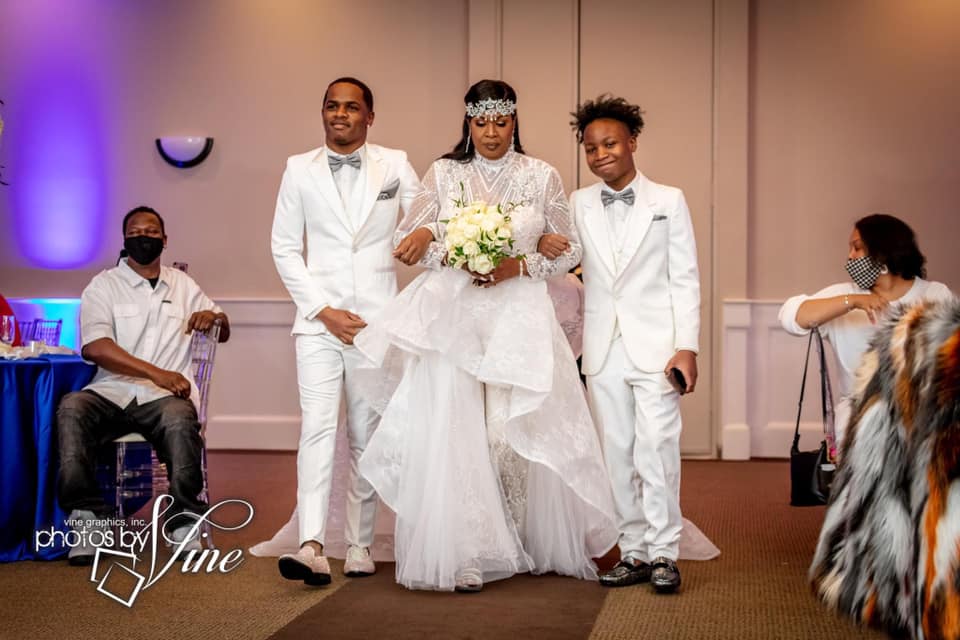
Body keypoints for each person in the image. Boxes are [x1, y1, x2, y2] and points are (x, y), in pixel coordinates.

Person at [354, 79, 618, 592]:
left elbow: (568, 252)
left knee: (506, 433)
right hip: (453, 317)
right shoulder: (445, 173)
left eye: (501, 122)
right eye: (481, 122)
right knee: (457, 432)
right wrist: (454, 252)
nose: (491, 132)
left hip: (517, 315)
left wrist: (516, 263)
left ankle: (515, 537)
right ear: (468, 122)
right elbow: (413, 239)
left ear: (514, 122)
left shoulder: (541, 175)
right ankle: (468, 549)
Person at [270, 77, 422, 586]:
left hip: (376, 324)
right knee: (316, 429)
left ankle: (359, 542)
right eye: (332, 106)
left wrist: (421, 232)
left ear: (369, 117)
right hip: (317, 324)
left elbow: (428, 219)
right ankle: (312, 543)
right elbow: (285, 248)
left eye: (351, 107)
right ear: (323, 112)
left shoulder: (395, 164)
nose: (340, 114)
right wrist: (321, 310)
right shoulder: (297, 169)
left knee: (365, 435)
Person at [564, 95, 702, 593]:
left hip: (658, 346)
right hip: (602, 347)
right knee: (616, 451)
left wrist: (687, 346)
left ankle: (665, 550)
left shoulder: (669, 200)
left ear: (632, 143)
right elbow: (564, 259)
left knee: (657, 447)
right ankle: (635, 549)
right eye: (591, 147)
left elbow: (684, 278)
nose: (600, 154)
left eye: (610, 143)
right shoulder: (579, 203)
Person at [57, 205, 230, 565]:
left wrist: (213, 316)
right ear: (124, 240)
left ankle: (183, 522)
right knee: (72, 408)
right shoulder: (103, 285)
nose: (144, 238)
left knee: (182, 421)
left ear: (165, 240)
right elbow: (95, 347)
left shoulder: (183, 284)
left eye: (151, 232)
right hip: (111, 392)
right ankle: (88, 521)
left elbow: (223, 328)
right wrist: (157, 373)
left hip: (165, 400)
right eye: (135, 233)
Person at [778, 213, 953, 451]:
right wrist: (854, 301)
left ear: (884, 252)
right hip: (858, 416)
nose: (850, 256)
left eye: (857, 248)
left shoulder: (935, 295)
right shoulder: (845, 294)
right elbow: (791, 317)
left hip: (920, 415)